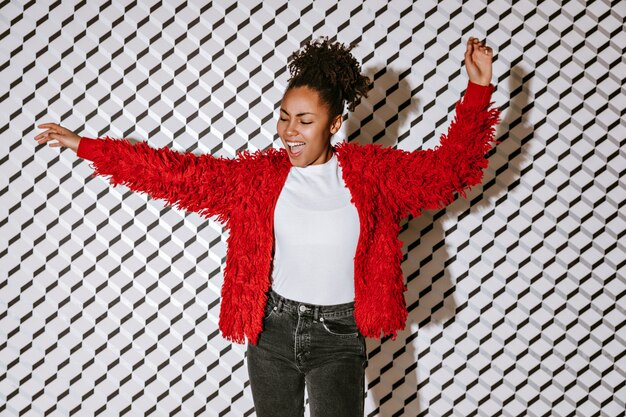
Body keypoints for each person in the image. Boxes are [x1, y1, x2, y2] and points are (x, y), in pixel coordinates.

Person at [35, 36, 499, 417]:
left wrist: (478, 91)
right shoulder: (259, 178)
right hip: (271, 331)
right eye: (283, 117)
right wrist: (87, 147)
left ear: (335, 123)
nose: (289, 131)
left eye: (304, 120)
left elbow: (448, 172)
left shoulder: (373, 175)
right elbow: (173, 173)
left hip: (339, 337)